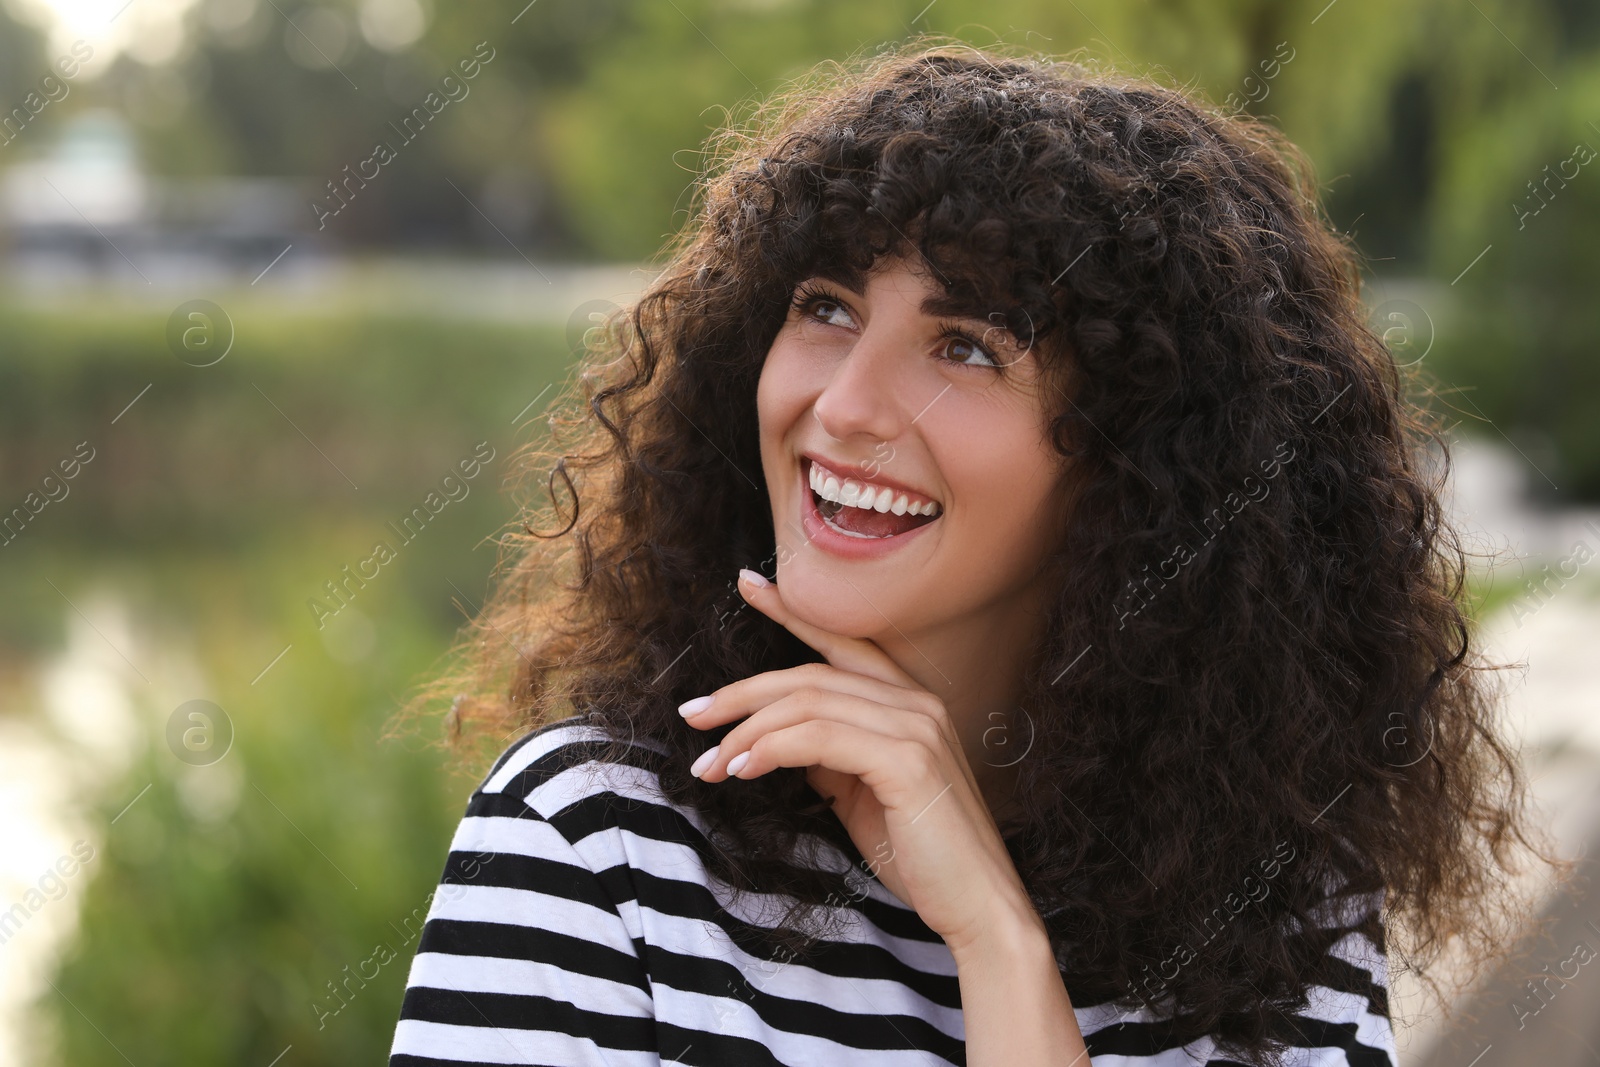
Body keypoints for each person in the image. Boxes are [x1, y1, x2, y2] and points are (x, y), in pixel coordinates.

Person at [386, 38, 1564, 1066]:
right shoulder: (597, 846)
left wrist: (1000, 947)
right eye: (827, 306)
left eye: (964, 346)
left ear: (1139, 460)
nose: (843, 406)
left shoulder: (1276, 908)